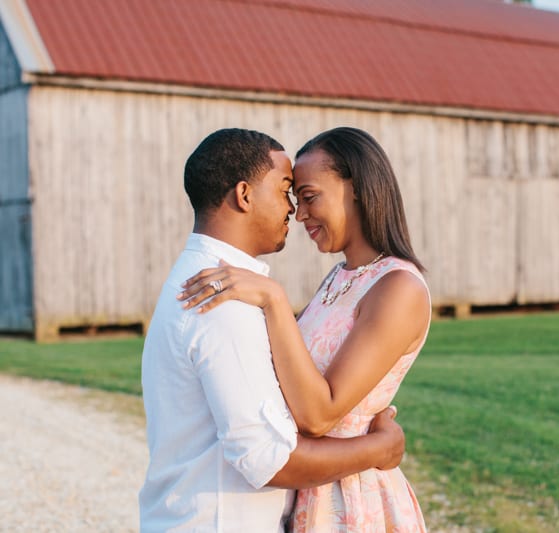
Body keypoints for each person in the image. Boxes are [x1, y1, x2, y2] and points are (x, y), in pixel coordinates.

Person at [139, 128, 406, 532]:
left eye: (304, 195)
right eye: (286, 191)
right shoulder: (221, 299)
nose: (293, 211)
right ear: (244, 196)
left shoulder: (215, 282)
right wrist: (379, 447)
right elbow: (267, 457)